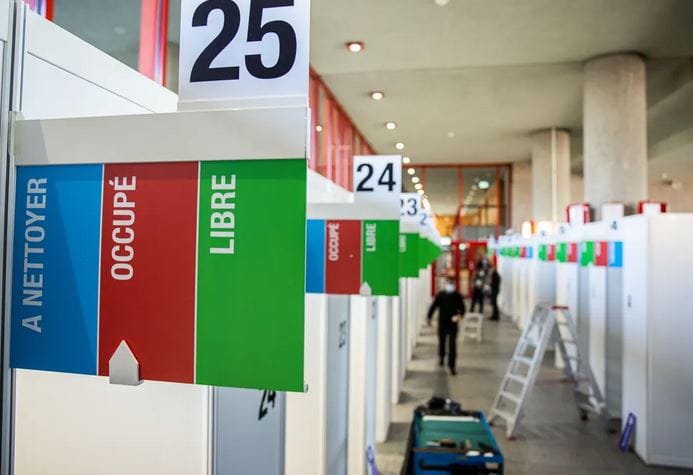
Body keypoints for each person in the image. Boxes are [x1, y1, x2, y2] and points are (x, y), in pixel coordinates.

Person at [427, 278, 466, 375]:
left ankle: (452, 366)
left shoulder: (457, 296)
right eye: (449, 284)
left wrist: (459, 316)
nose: (450, 286)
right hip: (442, 323)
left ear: (455, 285)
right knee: (442, 342)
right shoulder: (441, 295)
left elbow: (462, 308)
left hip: (453, 324)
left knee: (452, 345)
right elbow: (434, 306)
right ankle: (441, 357)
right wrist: (429, 317)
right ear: (445, 285)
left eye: (452, 284)